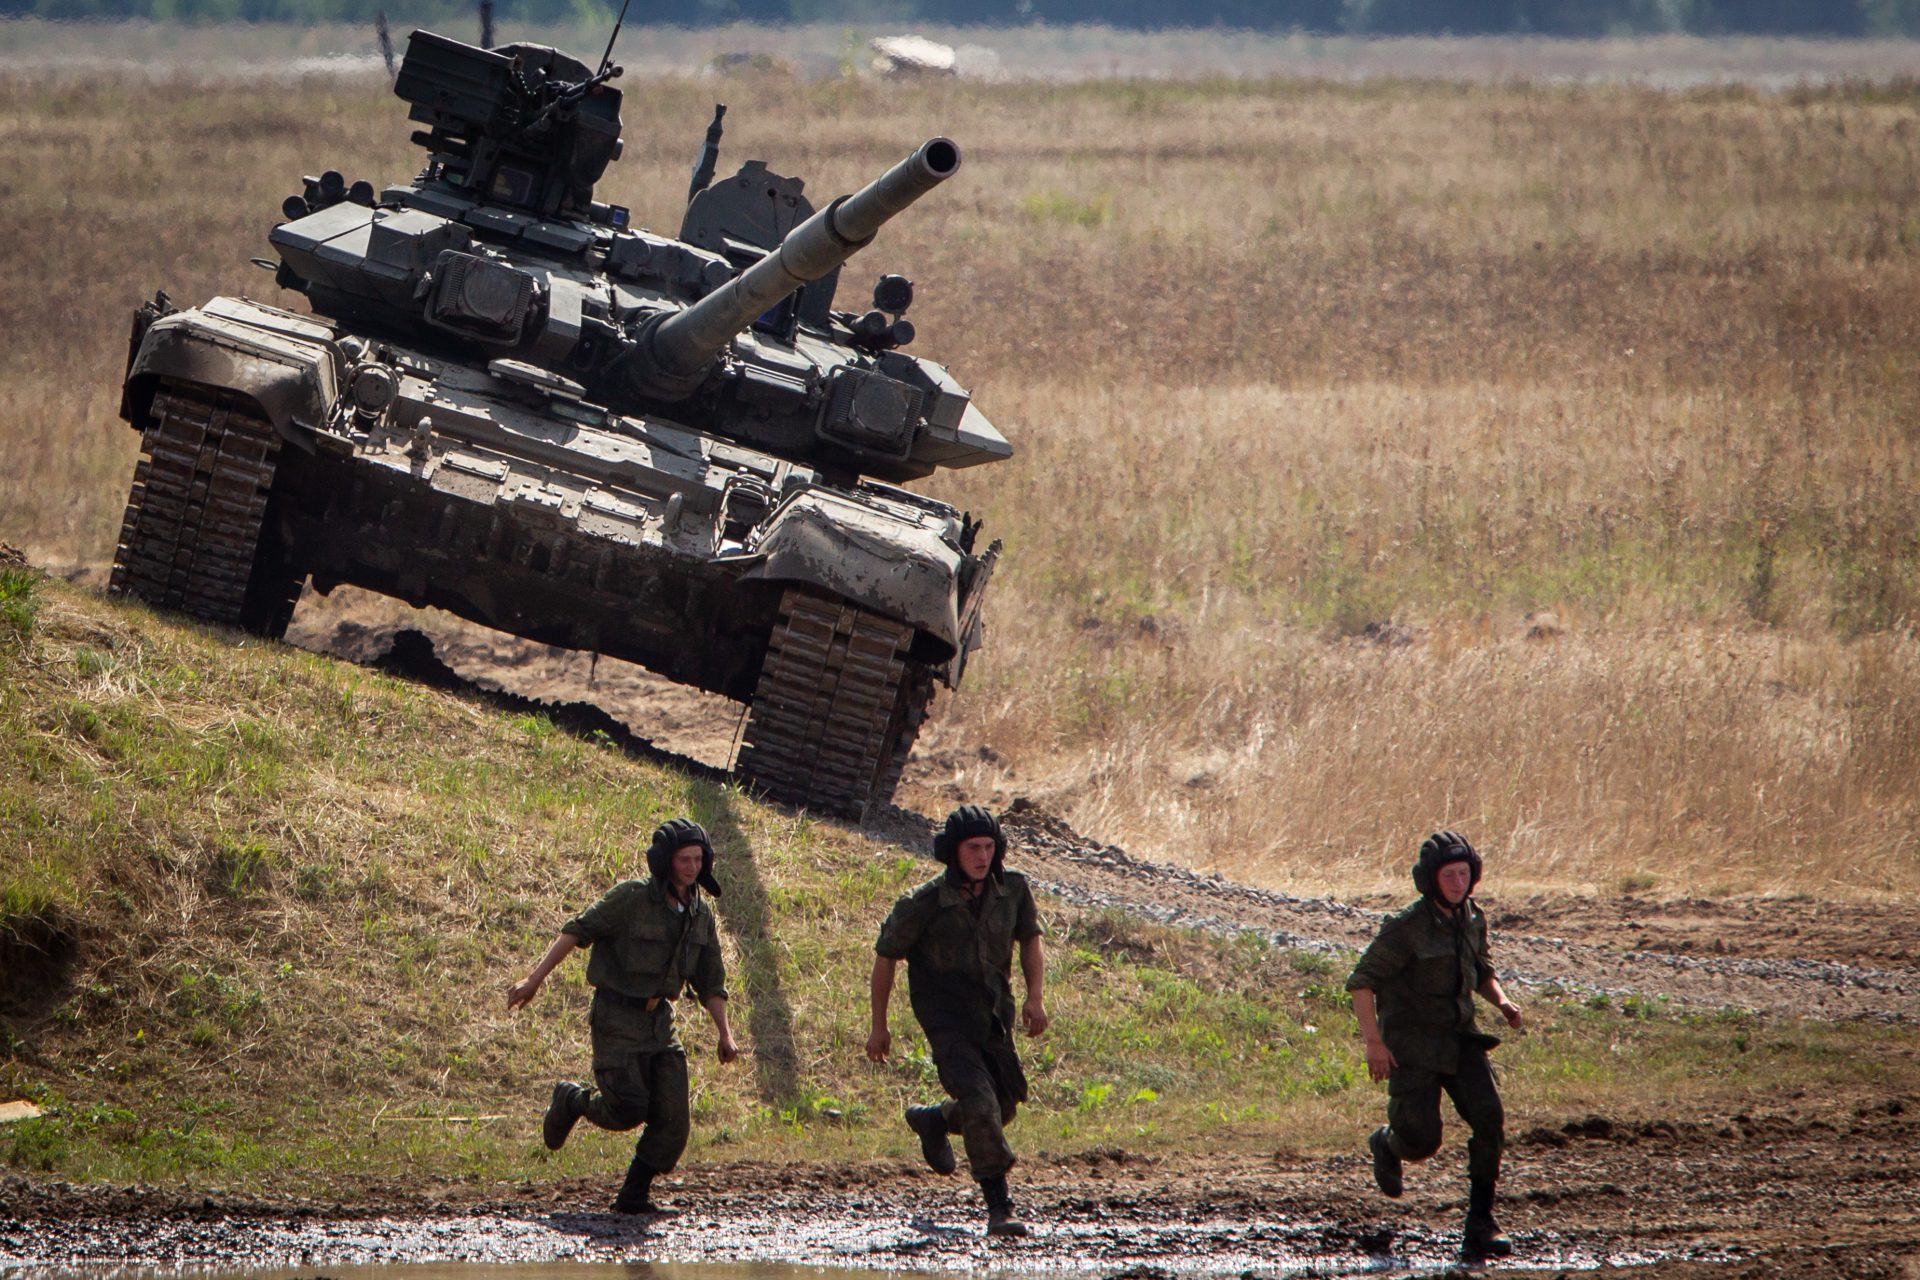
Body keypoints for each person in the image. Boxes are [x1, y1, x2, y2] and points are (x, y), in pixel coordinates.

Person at [506, 817, 740, 1215]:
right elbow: (577, 931)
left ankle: (633, 1197)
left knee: (673, 1120)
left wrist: (725, 1034)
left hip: (660, 1023)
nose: (692, 868)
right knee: (628, 1108)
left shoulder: (700, 915)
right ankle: (573, 1100)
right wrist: (533, 980)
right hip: (616, 1017)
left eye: (698, 859)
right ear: (665, 861)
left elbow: (711, 980)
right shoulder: (631, 898)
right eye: (684, 859)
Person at [867, 804, 1048, 1237]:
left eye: (989, 847)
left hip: (993, 1018)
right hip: (946, 1020)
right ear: (953, 851)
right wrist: (879, 1025)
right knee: (982, 1103)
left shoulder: (1014, 890)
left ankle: (935, 1119)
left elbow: (1031, 940)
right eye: (973, 848)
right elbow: (885, 957)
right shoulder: (923, 903)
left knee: (1001, 1108)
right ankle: (999, 1205)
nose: (982, 857)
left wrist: (1035, 998)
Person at [1346, 830, 1524, 1261]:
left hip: (1461, 1040)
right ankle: (1387, 1144)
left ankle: (1481, 1224)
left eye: (1464, 873)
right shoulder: (1406, 928)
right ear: (1430, 879)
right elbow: (1361, 982)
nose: (1458, 882)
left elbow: (1480, 968)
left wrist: (1501, 1002)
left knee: (1490, 1119)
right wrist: (1374, 1044)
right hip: (1413, 1047)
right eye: (1449, 875)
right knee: (1422, 1141)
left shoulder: (1473, 918)